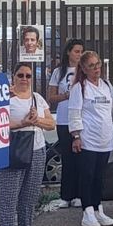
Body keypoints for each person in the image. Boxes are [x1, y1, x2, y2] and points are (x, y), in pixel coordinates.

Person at [2, 63, 54, 226]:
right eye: (20, 75)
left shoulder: (37, 98)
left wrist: (36, 120)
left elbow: (51, 123)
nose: (24, 79)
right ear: (13, 77)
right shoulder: (7, 97)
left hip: (37, 148)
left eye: (28, 76)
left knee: (30, 193)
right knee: (9, 193)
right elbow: (0, 123)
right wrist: (22, 123)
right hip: (15, 147)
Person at [65, 49, 113, 226]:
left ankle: (98, 208)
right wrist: (76, 136)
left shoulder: (107, 85)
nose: (96, 69)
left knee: (99, 176)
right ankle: (87, 211)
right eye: (91, 66)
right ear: (84, 69)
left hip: (105, 139)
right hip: (88, 139)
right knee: (87, 175)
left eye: (98, 64)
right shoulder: (80, 87)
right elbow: (74, 112)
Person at [46, 39, 85, 210]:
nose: (79, 55)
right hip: (63, 118)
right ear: (69, 52)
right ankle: (66, 195)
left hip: (81, 118)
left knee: (81, 158)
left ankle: (79, 194)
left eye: (81, 52)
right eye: (76, 51)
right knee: (67, 158)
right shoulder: (58, 72)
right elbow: (51, 97)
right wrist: (67, 96)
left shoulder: (84, 70)